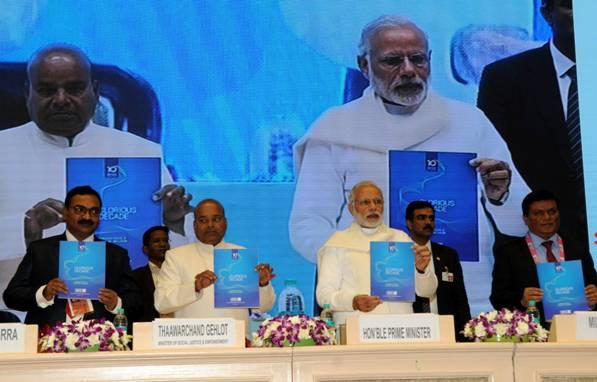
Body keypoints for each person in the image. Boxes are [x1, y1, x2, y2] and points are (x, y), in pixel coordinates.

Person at [290, 14, 529, 314]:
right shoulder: (335, 130)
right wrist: (359, 264)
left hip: (468, 297)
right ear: (364, 65)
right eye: (392, 61)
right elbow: (307, 225)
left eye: (417, 59)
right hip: (372, 301)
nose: (408, 70)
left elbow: (520, 224)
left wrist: (501, 195)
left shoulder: (470, 122)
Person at [0, 44, 192, 311]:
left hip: (121, 314)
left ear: (96, 91)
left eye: (75, 89)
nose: (61, 99)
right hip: (19, 317)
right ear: (27, 93)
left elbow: (173, 259)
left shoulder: (140, 154)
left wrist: (174, 223)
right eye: (46, 90)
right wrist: (30, 234)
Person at [477, 0, 587, 251]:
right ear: (547, 13)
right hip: (535, 243)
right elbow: (491, 164)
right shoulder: (504, 79)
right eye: (571, 5)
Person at [3, 186, 141, 327]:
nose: (87, 217)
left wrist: (116, 303)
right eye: (79, 209)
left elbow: (136, 302)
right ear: (66, 213)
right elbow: (11, 296)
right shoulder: (40, 250)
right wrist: (43, 293)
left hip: (101, 340)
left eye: (94, 211)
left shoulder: (116, 254)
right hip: (47, 340)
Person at [316, 181, 437, 325]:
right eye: (365, 202)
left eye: (378, 202)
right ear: (351, 208)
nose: (373, 207)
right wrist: (352, 301)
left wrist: (421, 271)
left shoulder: (401, 239)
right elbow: (324, 295)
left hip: (401, 329)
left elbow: (427, 292)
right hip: (356, 329)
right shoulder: (337, 243)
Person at [154, 199, 275, 335]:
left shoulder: (241, 254)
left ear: (225, 223)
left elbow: (263, 307)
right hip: (192, 344)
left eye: (216, 219)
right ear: (194, 225)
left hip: (236, 343)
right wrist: (195, 287)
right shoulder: (176, 257)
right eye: (203, 220)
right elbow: (161, 303)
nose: (210, 225)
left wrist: (262, 284)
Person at [490, 190, 597, 326]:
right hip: (533, 332)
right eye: (539, 213)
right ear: (526, 219)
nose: (547, 217)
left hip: (577, 328)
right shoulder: (509, 252)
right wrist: (521, 301)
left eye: (552, 212)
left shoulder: (577, 248)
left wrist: (594, 297)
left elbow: (592, 283)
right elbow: (498, 298)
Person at [405, 200, 471, 341]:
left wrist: (465, 332)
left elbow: (460, 298)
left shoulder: (448, 255)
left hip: (445, 330)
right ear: (409, 224)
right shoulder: (399, 254)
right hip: (409, 330)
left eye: (431, 218)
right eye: (421, 218)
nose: (428, 222)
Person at [132, 226, 170, 322]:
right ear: (145, 249)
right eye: (156, 241)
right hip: (147, 332)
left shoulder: (180, 273)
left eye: (165, 240)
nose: (162, 244)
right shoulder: (134, 277)